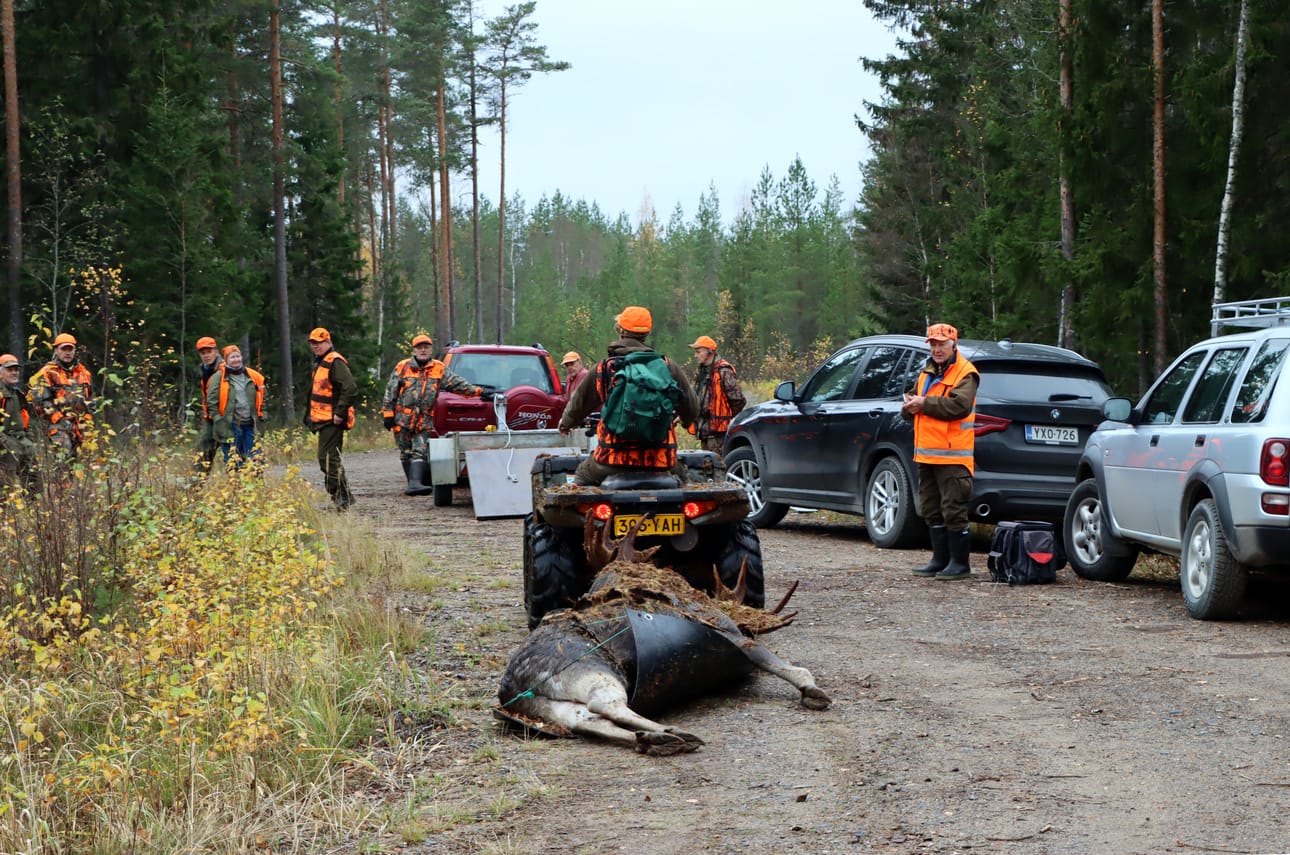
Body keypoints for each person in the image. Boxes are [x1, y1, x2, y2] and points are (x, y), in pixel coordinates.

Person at [557, 305, 698, 486]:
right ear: (646, 334)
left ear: (621, 332)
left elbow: (578, 405)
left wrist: (566, 424)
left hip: (611, 459)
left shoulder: (605, 369)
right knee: (685, 484)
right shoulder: (668, 367)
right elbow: (692, 408)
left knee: (582, 476)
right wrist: (686, 422)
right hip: (660, 460)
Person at [900, 322, 980, 580]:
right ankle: (939, 559)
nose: (936, 349)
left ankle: (960, 564)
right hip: (926, 454)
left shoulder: (966, 373)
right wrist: (909, 406)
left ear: (953, 345)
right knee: (931, 509)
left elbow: (960, 407)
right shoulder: (927, 372)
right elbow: (913, 401)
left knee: (953, 509)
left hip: (953, 456)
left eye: (941, 344)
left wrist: (924, 403)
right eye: (933, 344)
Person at [381, 333, 486, 496]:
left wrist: (481, 392)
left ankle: (416, 483)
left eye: (426, 347)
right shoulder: (402, 367)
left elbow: (458, 384)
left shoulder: (439, 368)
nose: (423, 350)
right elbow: (390, 391)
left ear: (431, 349)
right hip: (402, 420)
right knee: (405, 452)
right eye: (420, 347)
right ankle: (412, 483)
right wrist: (387, 414)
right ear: (414, 350)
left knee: (420, 451)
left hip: (424, 420)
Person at [305, 327, 357, 510]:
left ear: (328, 342)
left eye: (320, 342)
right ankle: (343, 496)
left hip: (332, 419)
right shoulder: (320, 362)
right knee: (328, 459)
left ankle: (341, 497)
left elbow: (349, 388)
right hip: (324, 419)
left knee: (328, 459)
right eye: (313, 343)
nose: (316, 346)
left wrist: (339, 413)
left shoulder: (335, 361)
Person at [29, 332, 93, 459]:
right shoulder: (47, 372)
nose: (67, 352)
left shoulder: (84, 372)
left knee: (81, 464)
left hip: (79, 425)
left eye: (70, 349)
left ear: (75, 350)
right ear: (56, 350)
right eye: (64, 349)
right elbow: (41, 403)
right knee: (63, 458)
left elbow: (90, 399)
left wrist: (88, 419)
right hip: (56, 426)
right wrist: (60, 420)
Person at [207, 345, 266, 470]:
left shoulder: (252, 375)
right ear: (226, 360)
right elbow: (211, 402)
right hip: (230, 425)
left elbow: (262, 396)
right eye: (232, 357)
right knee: (233, 460)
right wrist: (218, 419)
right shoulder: (218, 377)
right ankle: (235, 487)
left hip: (251, 424)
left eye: (238, 356)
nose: (236, 359)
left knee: (256, 458)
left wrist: (263, 414)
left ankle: (255, 486)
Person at [687, 335, 746, 457]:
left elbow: (738, 400)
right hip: (704, 430)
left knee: (720, 465)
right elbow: (695, 397)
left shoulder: (724, 370)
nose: (695, 355)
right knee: (707, 466)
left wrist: (726, 417)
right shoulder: (701, 371)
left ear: (710, 351)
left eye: (698, 352)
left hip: (720, 432)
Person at [0, 354, 38, 488]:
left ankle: (35, 507)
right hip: (6, 441)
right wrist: (5, 442)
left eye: (16, 369)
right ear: (1, 372)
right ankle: (6, 508)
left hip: (22, 439)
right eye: (9, 369)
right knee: (7, 483)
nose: (14, 372)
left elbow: (25, 418)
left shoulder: (18, 393)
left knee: (34, 478)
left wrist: (30, 439)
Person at [193, 336, 223, 474]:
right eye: (203, 353)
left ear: (216, 352)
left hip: (226, 418)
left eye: (209, 351)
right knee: (203, 452)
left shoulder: (224, 369)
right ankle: (193, 489)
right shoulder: (204, 369)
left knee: (234, 453)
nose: (206, 355)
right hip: (211, 418)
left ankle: (241, 489)